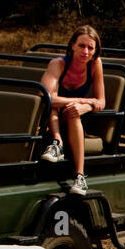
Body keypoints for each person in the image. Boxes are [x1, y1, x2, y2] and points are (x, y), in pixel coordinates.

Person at [39, 24, 106, 196]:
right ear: (72, 45)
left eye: (90, 48)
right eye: (82, 46)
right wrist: (82, 100)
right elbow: (45, 96)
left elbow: (101, 101)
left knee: (73, 112)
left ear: (95, 50)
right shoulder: (58, 64)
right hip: (51, 114)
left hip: (73, 116)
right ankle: (57, 142)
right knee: (55, 102)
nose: (85, 51)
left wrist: (84, 107)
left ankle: (80, 176)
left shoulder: (95, 64)